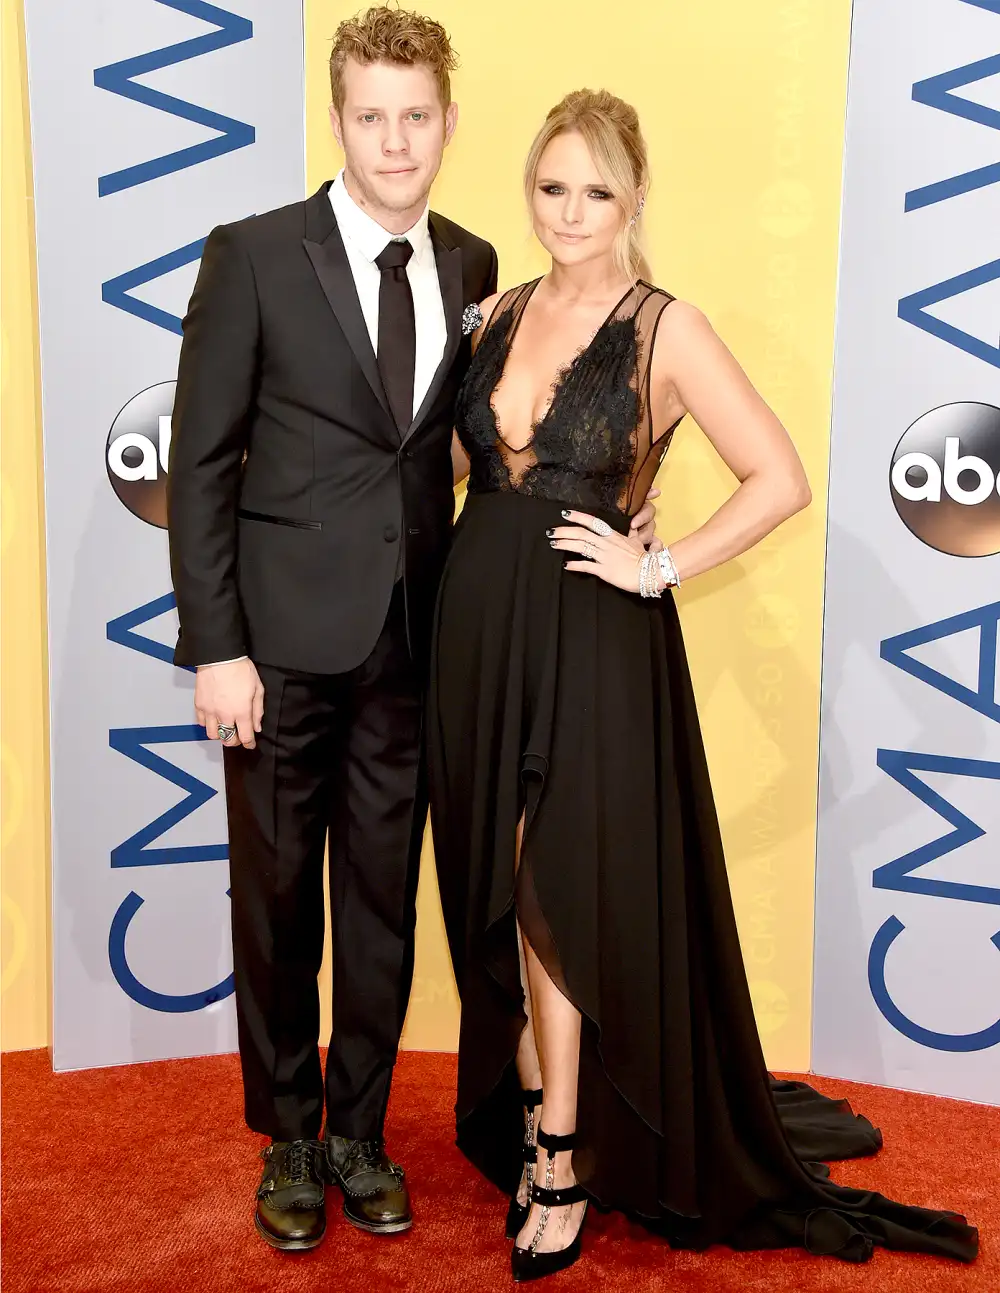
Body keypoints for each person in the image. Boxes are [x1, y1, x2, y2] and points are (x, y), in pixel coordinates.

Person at [427, 89, 980, 1281]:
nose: (570, 212)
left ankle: (562, 1156)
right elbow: (469, 471)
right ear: (528, 190)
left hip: (593, 641)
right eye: (550, 187)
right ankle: (542, 1123)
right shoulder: (494, 314)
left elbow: (777, 475)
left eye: (596, 191)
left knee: (550, 892)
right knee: (501, 889)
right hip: (476, 639)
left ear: (634, 199)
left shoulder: (663, 327)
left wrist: (655, 560)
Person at [166, 8, 659, 1254]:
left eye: (417, 116)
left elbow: (490, 440)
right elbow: (202, 464)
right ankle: (285, 1136)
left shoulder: (472, 261)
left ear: (447, 122)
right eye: (371, 116)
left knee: (383, 904)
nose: (395, 141)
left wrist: (621, 503)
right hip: (272, 651)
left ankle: (358, 1133)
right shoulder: (254, 254)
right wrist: (214, 647)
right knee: (278, 905)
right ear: (339, 120)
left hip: (416, 647)